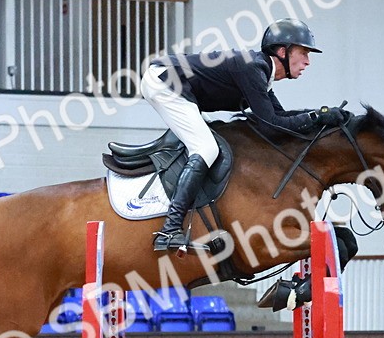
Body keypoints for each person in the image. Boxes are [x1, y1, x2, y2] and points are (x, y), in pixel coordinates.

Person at [140, 18, 348, 251]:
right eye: (304, 53)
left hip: (177, 85)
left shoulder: (261, 74)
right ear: (282, 51)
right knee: (206, 148)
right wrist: (316, 117)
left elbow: (279, 118)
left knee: (210, 144)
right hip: (164, 81)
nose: (308, 61)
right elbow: (271, 125)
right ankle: (169, 230)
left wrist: (320, 115)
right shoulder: (253, 69)